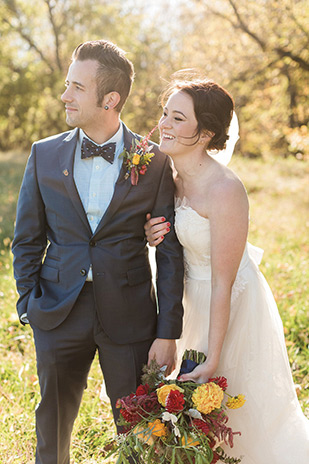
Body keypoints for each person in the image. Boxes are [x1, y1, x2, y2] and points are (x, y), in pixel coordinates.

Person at [12, 40, 184, 464]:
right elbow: (27, 238)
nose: (64, 95)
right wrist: (28, 304)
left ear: (110, 100)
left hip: (128, 315)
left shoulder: (154, 161)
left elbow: (169, 254)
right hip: (57, 310)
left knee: (140, 432)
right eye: (66, 85)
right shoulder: (44, 154)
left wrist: (167, 331)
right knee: (51, 425)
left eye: (76, 87)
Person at [144, 78, 309, 463]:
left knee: (234, 410)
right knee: (189, 417)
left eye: (178, 117)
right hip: (188, 302)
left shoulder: (225, 190)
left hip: (228, 303)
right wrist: (148, 233)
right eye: (166, 113)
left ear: (205, 134)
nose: (164, 123)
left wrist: (212, 355)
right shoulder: (166, 176)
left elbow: (224, 281)